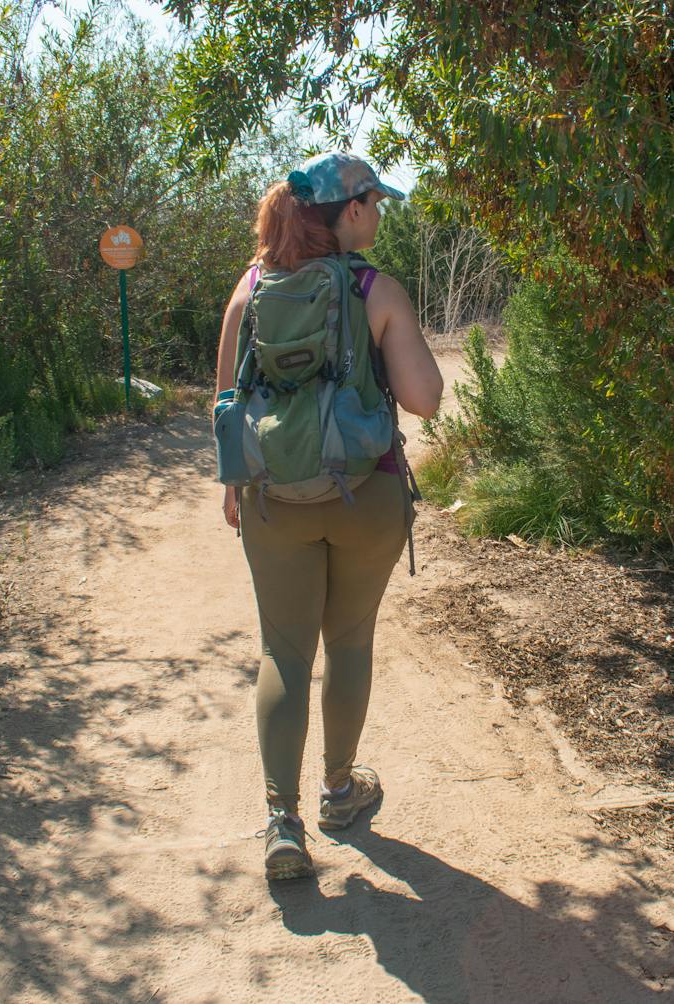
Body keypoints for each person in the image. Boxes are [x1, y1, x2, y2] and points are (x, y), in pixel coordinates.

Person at [214, 152, 444, 880]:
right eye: (375, 202)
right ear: (350, 209)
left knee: (283, 652)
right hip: (365, 495)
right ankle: (340, 792)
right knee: (348, 643)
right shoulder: (377, 289)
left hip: (271, 500)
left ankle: (283, 823)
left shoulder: (249, 290)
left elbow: (226, 406)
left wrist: (234, 489)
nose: (379, 214)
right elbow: (425, 399)